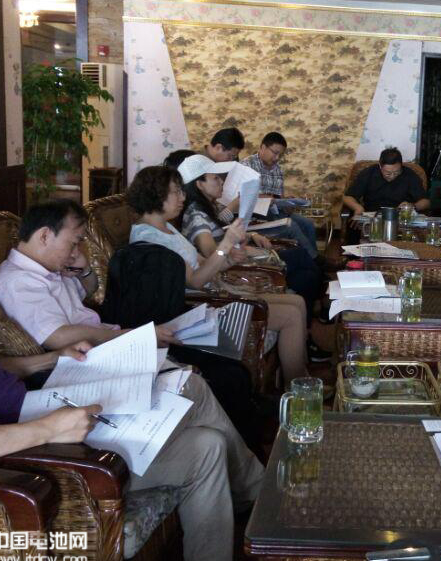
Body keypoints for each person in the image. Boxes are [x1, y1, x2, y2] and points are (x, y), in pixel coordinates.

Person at [0, 192, 262, 561]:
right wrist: (47, 428)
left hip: (39, 413)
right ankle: (258, 491)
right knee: (193, 399)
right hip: (21, 460)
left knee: (206, 441)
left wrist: (50, 359)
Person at [127, 165, 310, 383]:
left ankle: (302, 377)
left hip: (214, 292)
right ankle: (299, 387)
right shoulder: (150, 238)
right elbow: (195, 281)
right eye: (176, 191)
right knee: (290, 316)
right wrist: (225, 244)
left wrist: (229, 259)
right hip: (197, 307)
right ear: (156, 195)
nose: (183, 197)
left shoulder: (165, 227)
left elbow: (203, 263)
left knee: (298, 302)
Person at [174, 153, 329, 361]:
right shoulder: (196, 215)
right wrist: (235, 245)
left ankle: (309, 328)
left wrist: (250, 235)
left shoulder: (209, 206)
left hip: (239, 256)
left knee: (305, 268)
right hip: (234, 268)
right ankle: (310, 328)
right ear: (199, 184)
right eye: (215, 178)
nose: (221, 182)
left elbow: (222, 227)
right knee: (305, 268)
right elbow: (210, 253)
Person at [0, 200, 176, 351]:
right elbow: (57, 337)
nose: (76, 251)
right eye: (74, 243)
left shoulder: (48, 267)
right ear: (44, 236)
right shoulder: (16, 282)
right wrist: (132, 336)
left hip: (104, 340)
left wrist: (84, 269)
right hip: (87, 355)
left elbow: (89, 290)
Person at [240, 132, 319, 259]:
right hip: (255, 216)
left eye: (280, 155)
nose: (277, 158)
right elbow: (241, 197)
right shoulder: (246, 166)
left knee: (307, 223)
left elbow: (279, 197)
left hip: (275, 212)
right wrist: (267, 199)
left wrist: (288, 203)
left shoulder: (277, 169)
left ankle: (310, 259)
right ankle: (315, 259)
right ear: (263, 147)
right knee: (292, 225)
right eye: (275, 153)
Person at [343, 147, 430, 214]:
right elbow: (348, 197)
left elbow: (426, 202)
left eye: (397, 172)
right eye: (388, 173)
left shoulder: (409, 174)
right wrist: (358, 207)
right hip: (373, 216)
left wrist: (412, 206)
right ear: (380, 166)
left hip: (400, 216)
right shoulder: (369, 172)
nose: (392, 176)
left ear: (401, 165)